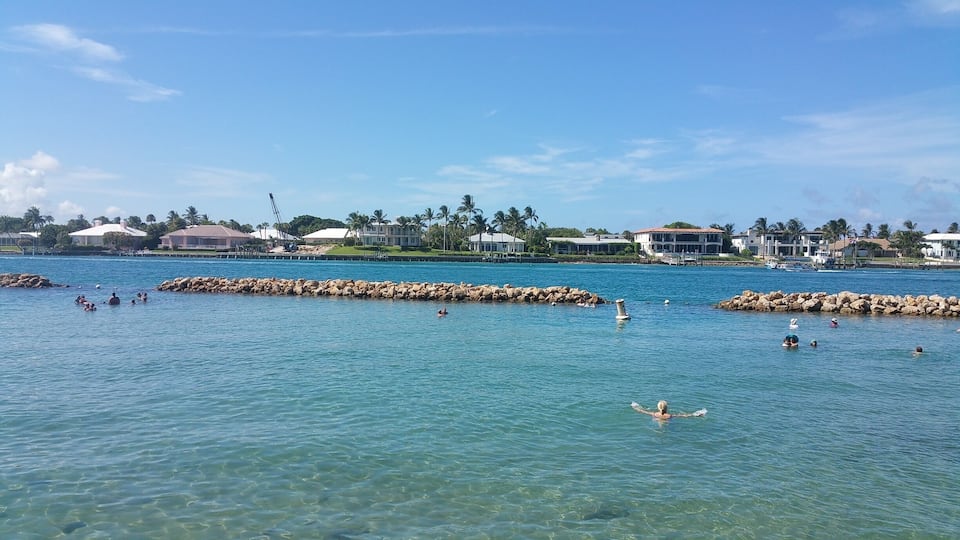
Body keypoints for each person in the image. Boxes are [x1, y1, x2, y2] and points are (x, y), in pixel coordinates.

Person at [631, 400, 701, 420]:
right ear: (666, 408)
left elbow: (643, 411)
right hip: (667, 424)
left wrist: (635, 407)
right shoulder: (670, 416)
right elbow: (684, 416)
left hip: (656, 419)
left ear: (658, 408)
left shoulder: (654, 414)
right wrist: (695, 414)